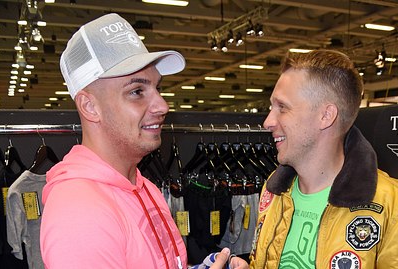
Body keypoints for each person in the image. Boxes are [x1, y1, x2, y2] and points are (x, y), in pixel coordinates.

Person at [39, 13, 247, 269]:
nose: (162, 105)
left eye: (157, 88)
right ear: (90, 106)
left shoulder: (142, 186)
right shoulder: (80, 213)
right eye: (137, 91)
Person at [249, 50, 398, 269]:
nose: (268, 121)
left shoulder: (397, 208)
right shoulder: (274, 191)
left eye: (282, 107)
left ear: (326, 116)